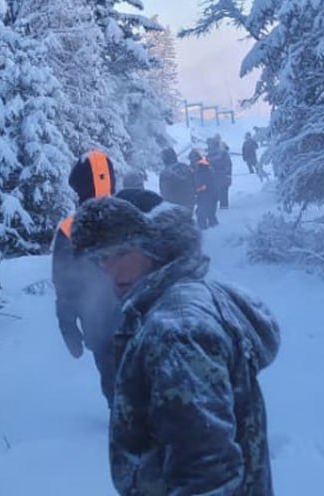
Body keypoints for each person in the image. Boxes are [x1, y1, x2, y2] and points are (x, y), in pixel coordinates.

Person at [70, 197, 279, 496]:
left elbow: (207, 475)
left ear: (156, 247)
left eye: (122, 252)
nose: (110, 271)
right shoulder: (179, 302)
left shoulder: (177, 330)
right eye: (101, 259)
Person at [50, 149, 121, 404]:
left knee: (116, 388)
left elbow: (64, 282)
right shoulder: (132, 216)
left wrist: (67, 323)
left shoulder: (69, 228)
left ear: (78, 186)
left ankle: (125, 428)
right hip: (140, 319)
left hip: (98, 324)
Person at [189, 148, 219, 228]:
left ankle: (207, 231)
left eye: (193, 160)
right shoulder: (194, 168)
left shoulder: (204, 168)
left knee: (202, 214)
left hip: (209, 194)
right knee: (208, 214)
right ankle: (212, 228)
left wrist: (197, 190)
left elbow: (207, 184)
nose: (192, 162)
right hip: (204, 194)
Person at [208, 137, 234, 210]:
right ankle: (220, 206)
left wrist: (222, 172)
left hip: (222, 177)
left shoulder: (223, 154)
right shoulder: (210, 154)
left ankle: (223, 207)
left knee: (222, 192)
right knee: (219, 192)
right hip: (219, 178)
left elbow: (228, 166)